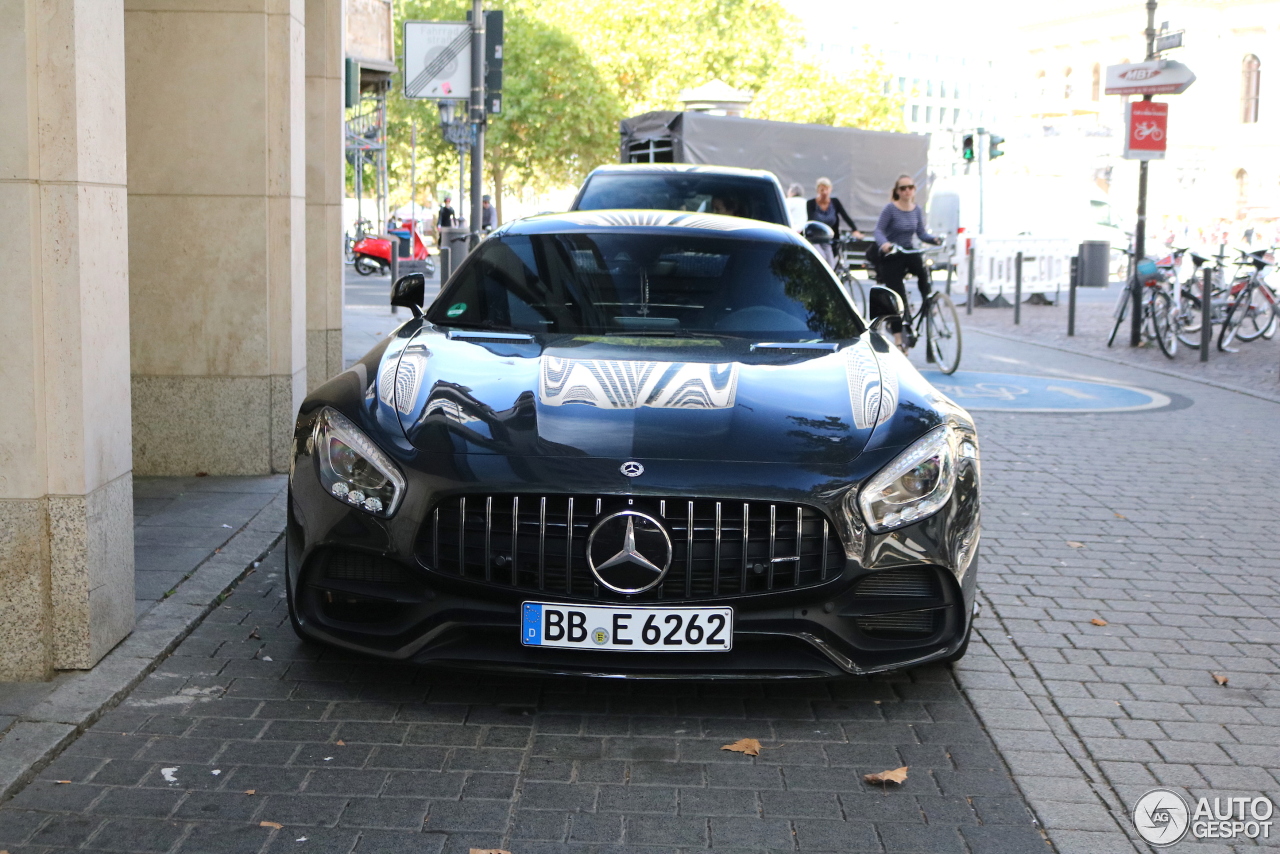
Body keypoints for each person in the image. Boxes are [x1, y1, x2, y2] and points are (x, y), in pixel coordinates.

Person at [874, 174, 943, 352]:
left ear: (914, 190)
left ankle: (928, 303)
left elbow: (921, 233)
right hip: (893, 253)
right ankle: (898, 338)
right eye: (903, 188)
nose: (907, 191)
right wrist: (885, 244)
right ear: (897, 191)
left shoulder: (916, 210)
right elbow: (879, 230)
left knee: (922, 271)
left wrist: (934, 239)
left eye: (910, 187)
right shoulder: (890, 209)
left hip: (908, 249)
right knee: (897, 295)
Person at [806, 178, 862, 267]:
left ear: (830, 189)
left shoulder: (835, 202)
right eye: (822, 190)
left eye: (826, 189)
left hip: (828, 239)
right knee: (821, 258)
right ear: (817, 190)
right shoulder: (811, 203)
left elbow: (845, 216)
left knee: (830, 265)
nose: (824, 192)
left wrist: (854, 230)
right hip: (815, 239)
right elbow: (810, 221)